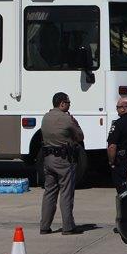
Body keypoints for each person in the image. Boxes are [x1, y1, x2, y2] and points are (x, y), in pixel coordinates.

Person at [39, 92, 84, 235]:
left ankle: (44, 226)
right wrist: (75, 123)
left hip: (48, 159)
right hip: (64, 160)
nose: (70, 105)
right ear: (62, 103)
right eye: (69, 103)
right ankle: (68, 227)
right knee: (66, 193)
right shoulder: (66, 119)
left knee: (49, 192)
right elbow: (80, 136)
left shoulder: (46, 117)